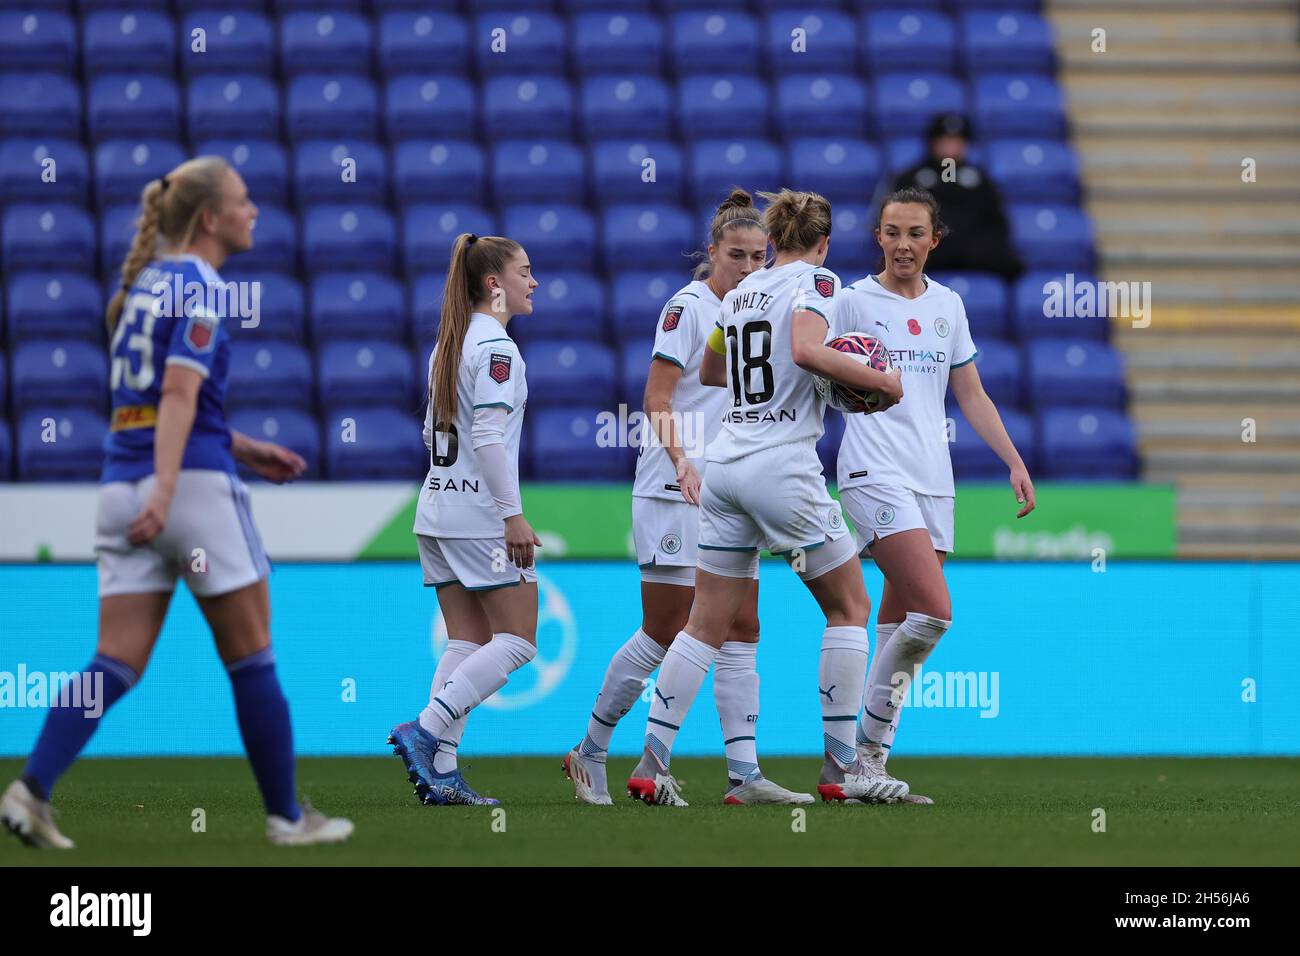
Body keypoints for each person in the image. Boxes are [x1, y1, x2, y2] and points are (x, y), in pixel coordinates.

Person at [0, 157, 353, 848]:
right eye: (244, 202)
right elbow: (179, 397)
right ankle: (286, 817)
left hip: (119, 486)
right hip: (186, 492)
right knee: (252, 657)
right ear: (209, 218)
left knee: (114, 661)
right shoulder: (202, 287)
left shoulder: (141, 287)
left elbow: (153, 405)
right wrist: (169, 492)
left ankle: (31, 789)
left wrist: (245, 451)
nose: (254, 212)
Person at [626, 189, 909, 807]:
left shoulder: (744, 290)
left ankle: (652, 762)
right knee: (850, 607)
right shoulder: (821, 281)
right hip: (781, 468)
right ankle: (843, 771)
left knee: (705, 624)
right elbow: (808, 350)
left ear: (774, 241)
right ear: (824, 243)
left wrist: (798, 378)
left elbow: (709, 374)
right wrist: (878, 381)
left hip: (725, 466)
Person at [564, 189, 810, 807]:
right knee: (669, 626)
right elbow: (656, 399)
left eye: (760, 257)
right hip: (674, 487)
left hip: (730, 488)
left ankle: (744, 775)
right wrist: (680, 461)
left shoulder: (765, 309)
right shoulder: (688, 308)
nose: (750, 268)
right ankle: (590, 750)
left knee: (743, 625)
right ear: (712, 252)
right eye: (737, 256)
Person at [836, 186, 1037, 803]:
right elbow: (810, 367)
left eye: (915, 233)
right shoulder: (849, 303)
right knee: (934, 612)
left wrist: (1013, 460)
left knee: (901, 625)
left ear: (934, 240)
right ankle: (858, 756)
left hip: (933, 479)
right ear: (879, 238)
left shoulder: (948, 306)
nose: (903, 244)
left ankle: (864, 764)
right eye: (892, 232)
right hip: (872, 471)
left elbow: (970, 394)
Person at [387, 233, 541, 807]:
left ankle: (442, 771)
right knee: (519, 641)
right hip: (478, 515)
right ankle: (425, 731)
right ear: (494, 284)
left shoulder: (447, 345)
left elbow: (432, 433)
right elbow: (488, 437)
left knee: (467, 639)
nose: (535, 281)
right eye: (525, 271)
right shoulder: (498, 348)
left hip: (435, 508)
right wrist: (513, 515)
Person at [891, 113, 1021, 281]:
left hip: (973, 254)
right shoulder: (911, 178)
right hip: (929, 253)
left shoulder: (980, 180)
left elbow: (997, 224)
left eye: (957, 142)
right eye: (945, 141)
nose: (950, 148)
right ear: (932, 143)